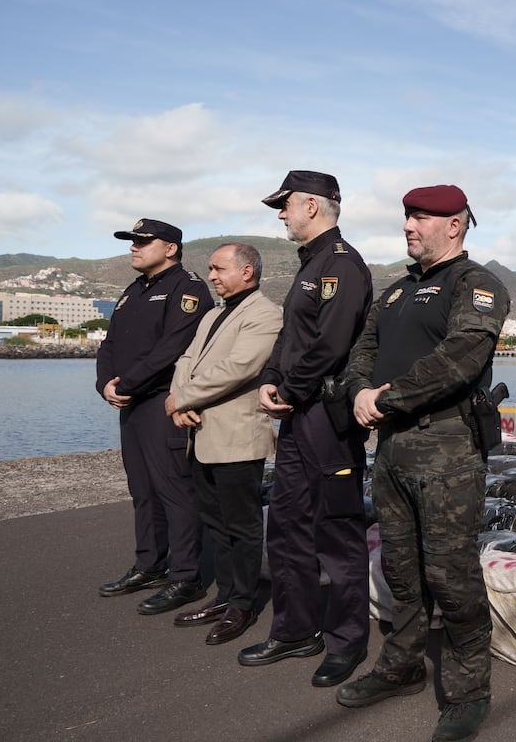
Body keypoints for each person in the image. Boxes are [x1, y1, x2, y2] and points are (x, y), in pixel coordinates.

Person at [336, 185, 510, 742]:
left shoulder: (476, 285)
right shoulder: (396, 292)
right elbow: (362, 351)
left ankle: (468, 693)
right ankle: (403, 665)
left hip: (448, 450)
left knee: (451, 577)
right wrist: (360, 392)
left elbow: (460, 359)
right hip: (392, 449)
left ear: (454, 225)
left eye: (420, 218)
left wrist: (383, 399)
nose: (409, 226)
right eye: (407, 217)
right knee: (401, 570)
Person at [237, 171, 374, 689]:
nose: (280, 214)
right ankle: (295, 629)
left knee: (337, 532)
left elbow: (331, 344)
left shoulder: (342, 265)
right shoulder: (309, 266)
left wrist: (289, 388)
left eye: (285, 205)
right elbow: (292, 340)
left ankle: (345, 641)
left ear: (312, 207)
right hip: (298, 413)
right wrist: (273, 378)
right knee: (288, 525)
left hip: (326, 418)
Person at [96, 218, 215, 614]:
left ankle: (185, 577)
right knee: (142, 489)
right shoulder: (132, 292)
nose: (134, 247)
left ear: (170, 249)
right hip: (131, 404)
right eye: (132, 241)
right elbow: (109, 344)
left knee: (175, 491)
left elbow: (173, 348)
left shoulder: (189, 289)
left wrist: (126, 382)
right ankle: (149, 564)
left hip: (166, 403)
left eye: (143, 242)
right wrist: (105, 385)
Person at [165, 243, 282, 644]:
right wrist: (178, 402)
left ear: (247, 271)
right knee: (214, 522)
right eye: (210, 269)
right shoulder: (214, 314)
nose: (211, 276)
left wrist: (183, 398)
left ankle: (243, 604)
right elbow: (186, 361)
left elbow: (238, 369)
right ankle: (226, 595)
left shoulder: (265, 314)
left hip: (236, 438)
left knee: (242, 525)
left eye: (218, 268)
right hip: (200, 433)